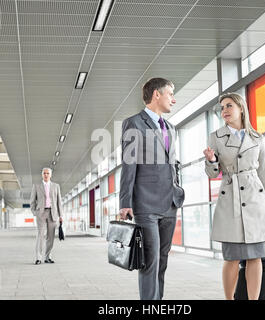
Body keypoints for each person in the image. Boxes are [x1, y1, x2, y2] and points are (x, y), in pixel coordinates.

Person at [203, 92, 265, 300]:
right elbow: (212, 173)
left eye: (229, 106)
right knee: (232, 257)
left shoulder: (257, 138)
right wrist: (210, 160)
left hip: (256, 201)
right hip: (230, 200)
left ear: (241, 108)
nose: (224, 111)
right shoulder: (215, 137)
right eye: (222, 108)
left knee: (255, 257)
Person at [119, 77, 185, 300]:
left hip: (170, 203)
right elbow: (129, 166)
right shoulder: (134, 123)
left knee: (163, 261)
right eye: (170, 94)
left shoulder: (171, 128)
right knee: (150, 261)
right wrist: (125, 203)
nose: (173, 100)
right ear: (157, 94)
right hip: (145, 205)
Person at [30, 167, 63, 265]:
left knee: (51, 237)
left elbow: (59, 202)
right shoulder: (36, 186)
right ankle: (38, 258)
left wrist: (61, 215)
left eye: (47, 173)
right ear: (42, 174)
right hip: (41, 213)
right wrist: (35, 212)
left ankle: (47, 257)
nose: (46, 175)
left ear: (50, 175)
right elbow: (32, 201)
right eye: (44, 173)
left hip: (53, 214)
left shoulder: (56, 186)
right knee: (40, 235)